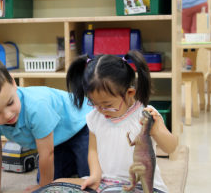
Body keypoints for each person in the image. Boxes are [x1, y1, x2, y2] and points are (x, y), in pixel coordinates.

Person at [0, 55, 92, 193]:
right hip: (57, 140)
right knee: (48, 176)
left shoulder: (36, 106)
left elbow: (47, 153)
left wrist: (44, 187)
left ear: (13, 82)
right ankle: (72, 159)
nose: (8, 115)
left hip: (82, 126)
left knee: (89, 177)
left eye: (10, 103)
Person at [57, 51, 178, 192]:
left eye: (107, 105)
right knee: (59, 183)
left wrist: (156, 130)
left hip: (143, 186)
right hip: (106, 182)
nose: (101, 110)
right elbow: (93, 150)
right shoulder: (94, 117)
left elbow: (171, 147)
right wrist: (95, 175)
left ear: (130, 93)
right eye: (94, 103)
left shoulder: (146, 115)